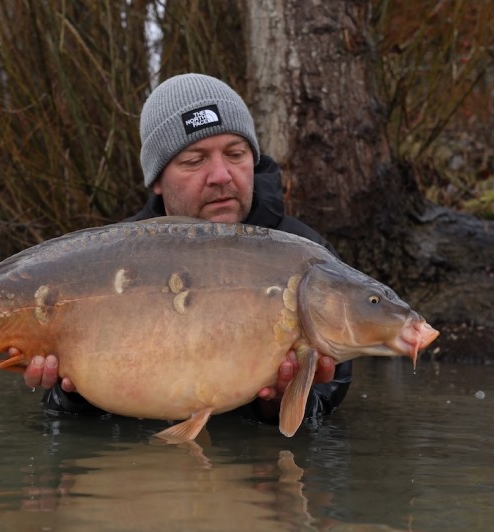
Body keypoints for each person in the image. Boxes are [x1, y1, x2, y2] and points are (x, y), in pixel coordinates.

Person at [21, 73, 352, 426]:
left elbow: (329, 401)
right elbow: (63, 418)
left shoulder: (309, 258)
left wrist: (276, 406)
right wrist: (74, 394)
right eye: (195, 160)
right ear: (158, 181)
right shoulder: (107, 260)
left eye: (235, 154)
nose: (221, 175)